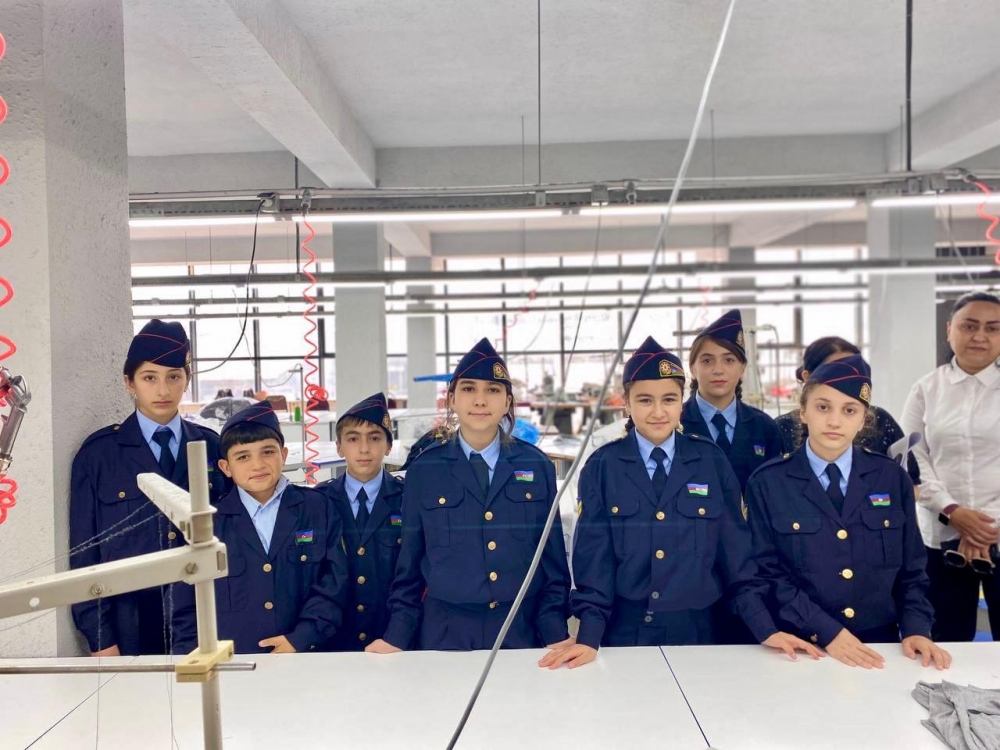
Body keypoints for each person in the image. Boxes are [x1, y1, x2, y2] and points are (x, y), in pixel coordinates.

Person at [540, 337, 820, 669]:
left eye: (669, 399)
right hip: (626, 634)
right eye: (645, 400)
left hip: (700, 633)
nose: (658, 412)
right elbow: (593, 562)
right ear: (626, 404)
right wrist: (589, 637)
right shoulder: (603, 466)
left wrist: (764, 628)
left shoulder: (710, 461)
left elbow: (736, 558)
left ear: (681, 402)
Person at [366, 338, 572, 653]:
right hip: (445, 632)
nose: (480, 400)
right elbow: (409, 566)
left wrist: (554, 630)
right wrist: (397, 637)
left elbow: (552, 562)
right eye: (468, 389)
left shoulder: (536, 465)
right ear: (452, 399)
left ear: (507, 401)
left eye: (493, 390)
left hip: (518, 629)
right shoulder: (425, 470)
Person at [746, 354, 950, 670]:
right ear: (803, 412)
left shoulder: (890, 478)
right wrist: (827, 631)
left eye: (849, 410)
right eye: (823, 407)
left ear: (863, 418)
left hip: (879, 647)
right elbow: (767, 573)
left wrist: (916, 628)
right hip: (801, 647)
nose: (834, 421)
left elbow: (912, 569)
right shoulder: (768, 483)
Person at [70, 320, 229, 656]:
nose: (163, 390)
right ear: (129, 382)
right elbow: (84, 555)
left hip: (204, 615)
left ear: (187, 380)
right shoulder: (99, 455)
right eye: (149, 378)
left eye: (174, 377)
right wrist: (101, 640)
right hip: (130, 623)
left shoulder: (212, 447)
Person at [171, 401, 348, 654]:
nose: (257, 465)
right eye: (243, 456)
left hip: (305, 655)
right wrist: (194, 659)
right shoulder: (207, 523)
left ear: (283, 455)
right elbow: (185, 605)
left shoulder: (317, 508)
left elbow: (334, 582)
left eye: (267, 452)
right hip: (232, 660)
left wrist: (301, 638)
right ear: (225, 467)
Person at [902, 291, 1000, 642]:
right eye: (969, 326)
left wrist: (985, 526)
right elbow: (913, 458)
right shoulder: (926, 389)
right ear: (949, 330)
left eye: (992, 328)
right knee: (947, 640)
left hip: (997, 534)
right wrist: (953, 511)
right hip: (941, 536)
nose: (980, 336)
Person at [316, 393, 405, 651]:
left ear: (388, 446)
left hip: (392, 637)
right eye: (353, 439)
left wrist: (399, 634)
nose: (364, 449)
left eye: (374, 438)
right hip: (333, 640)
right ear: (339, 447)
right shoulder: (319, 502)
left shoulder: (408, 499)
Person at [775, 336, 919, 483]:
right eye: (834, 371)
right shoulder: (780, 429)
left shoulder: (880, 421)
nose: (835, 422)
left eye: (849, 411)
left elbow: (911, 482)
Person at [681, 309, 784, 491]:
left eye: (728, 360)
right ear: (693, 369)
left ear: (742, 369)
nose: (718, 370)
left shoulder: (764, 427)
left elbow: (775, 492)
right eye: (707, 361)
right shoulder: (674, 423)